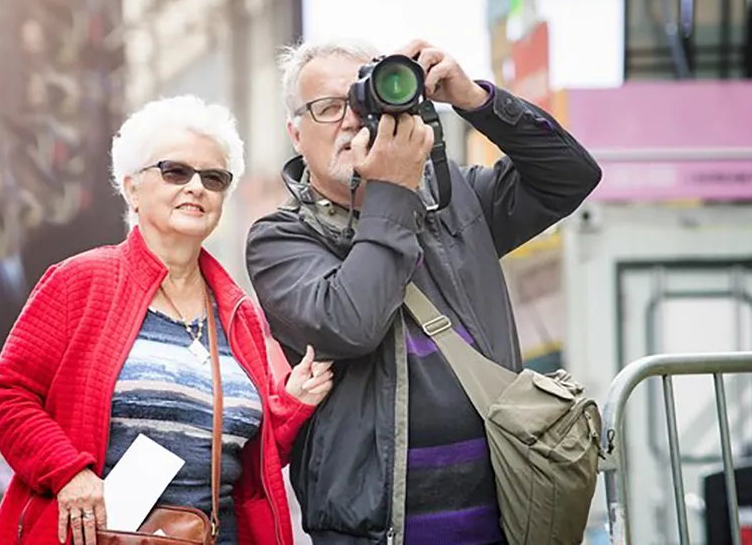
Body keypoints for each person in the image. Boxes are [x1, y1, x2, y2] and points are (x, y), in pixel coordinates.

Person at [245, 38, 602, 544]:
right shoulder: (280, 239)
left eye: (361, 99)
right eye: (327, 108)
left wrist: (476, 100)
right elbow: (351, 323)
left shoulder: (453, 202)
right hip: (376, 531)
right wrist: (393, 187)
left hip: (503, 517)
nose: (349, 120)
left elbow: (570, 176)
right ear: (296, 133)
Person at [0, 95, 334, 545]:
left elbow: (248, 458)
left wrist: (291, 406)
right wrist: (68, 473)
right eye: (175, 171)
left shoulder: (239, 313)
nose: (196, 187)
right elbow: (8, 395)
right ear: (131, 187)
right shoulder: (80, 281)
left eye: (213, 177)